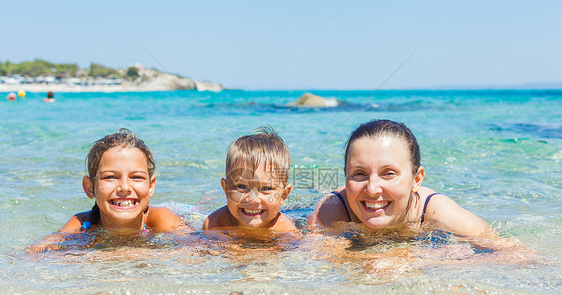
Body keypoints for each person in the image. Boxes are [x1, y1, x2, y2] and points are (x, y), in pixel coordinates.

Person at [309, 119, 500, 246]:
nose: (372, 189)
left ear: (416, 180)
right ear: (345, 176)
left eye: (388, 173)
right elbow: (319, 260)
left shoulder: (435, 211)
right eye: (359, 174)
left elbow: (511, 256)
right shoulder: (333, 209)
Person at [29, 129, 184, 252]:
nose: (124, 187)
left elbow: (195, 250)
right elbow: (35, 252)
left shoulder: (161, 219)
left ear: (151, 187)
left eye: (136, 177)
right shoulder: (83, 224)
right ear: (90, 188)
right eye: (110, 177)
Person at [203, 127, 297, 233]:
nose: (253, 199)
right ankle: (207, 197)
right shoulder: (216, 224)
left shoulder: (286, 231)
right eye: (242, 186)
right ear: (225, 189)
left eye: (266, 188)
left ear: (283, 195)